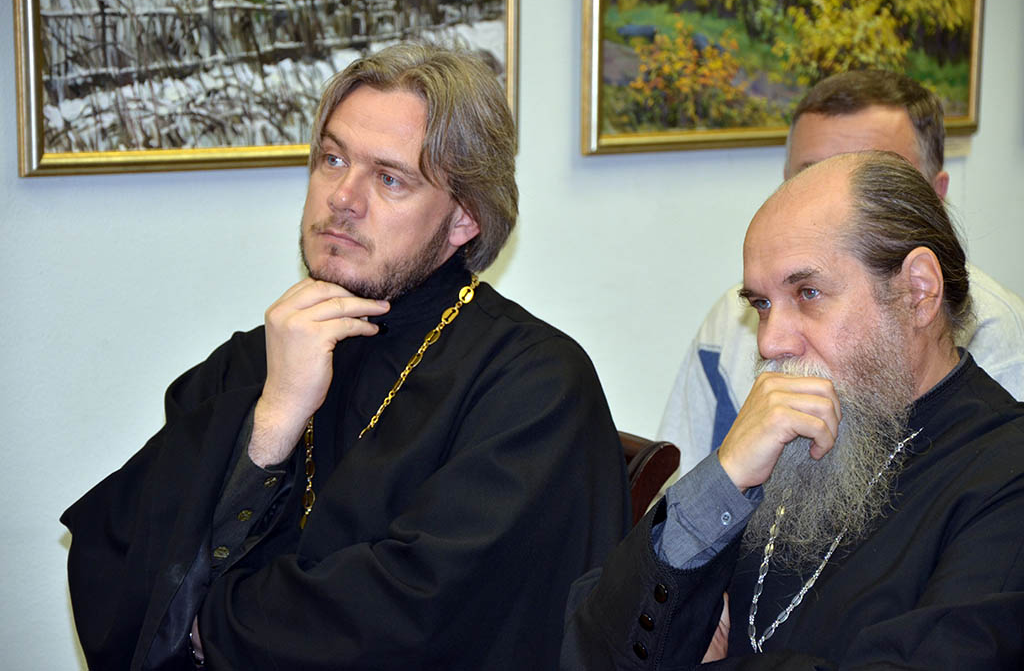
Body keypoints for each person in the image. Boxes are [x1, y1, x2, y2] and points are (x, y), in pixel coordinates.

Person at [61, 44, 629, 671]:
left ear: (464, 219)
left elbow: (418, 618)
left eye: (390, 179)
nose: (343, 198)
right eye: (332, 159)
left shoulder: (534, 384)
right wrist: (273, 420)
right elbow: (120, 557)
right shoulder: (260, 356)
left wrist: (198, 624)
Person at [562, 151, 1024, 670]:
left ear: (918, 292)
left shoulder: (1006, 473)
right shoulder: (777, 444)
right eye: (761, 304)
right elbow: (586, 648)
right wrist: (722, 477)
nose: (770, 342)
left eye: (807, 293)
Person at [658, 70, 1024, 477]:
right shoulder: (732, 319)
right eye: (809, 175)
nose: (771, 342)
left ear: (934, 197)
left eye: (878, 177)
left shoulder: (1000, 334)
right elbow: (680, 485)